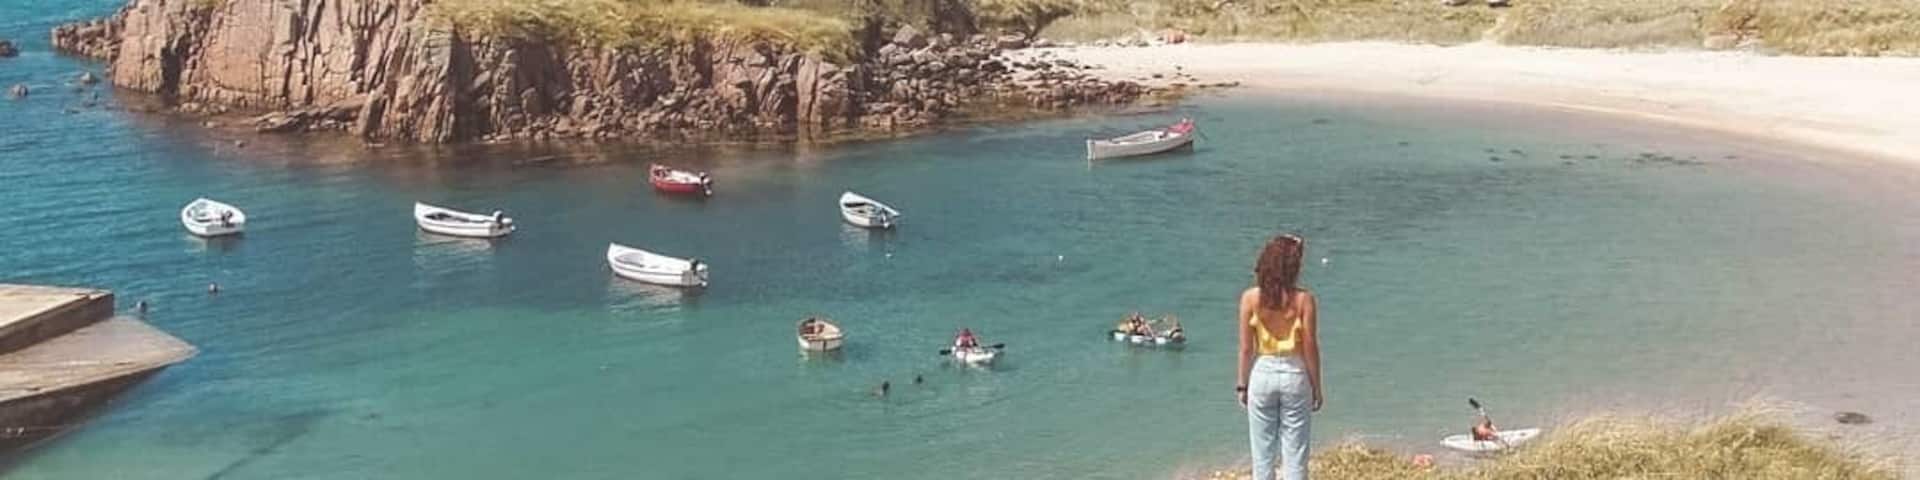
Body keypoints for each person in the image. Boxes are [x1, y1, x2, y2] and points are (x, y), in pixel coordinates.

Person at [1237, 234, 1323, 480]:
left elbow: (1245, 348)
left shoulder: (1250, 298)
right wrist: (1317, 386)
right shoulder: (1304, 300)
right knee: (1295, 453)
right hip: (1295, 372)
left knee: (1262, 455)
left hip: (1262, 372)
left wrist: (1242, 385)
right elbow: (1310, 346)